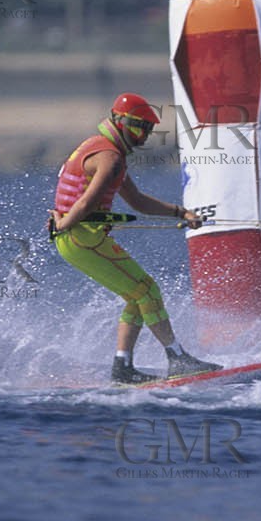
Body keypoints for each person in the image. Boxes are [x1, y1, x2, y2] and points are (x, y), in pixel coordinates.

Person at [48, 93, 220, 383]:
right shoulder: (110, 157)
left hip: (79, 237)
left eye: (149, 131)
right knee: (147, 290)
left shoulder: (100, 148)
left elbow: (137, 202)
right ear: (122, 122)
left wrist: (182, 212)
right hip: (81, 237)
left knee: (137, 296)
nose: (145, 136)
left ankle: (122, 368)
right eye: (141, 128)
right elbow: (86, 202)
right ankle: (177, 358)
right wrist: (63, 222)